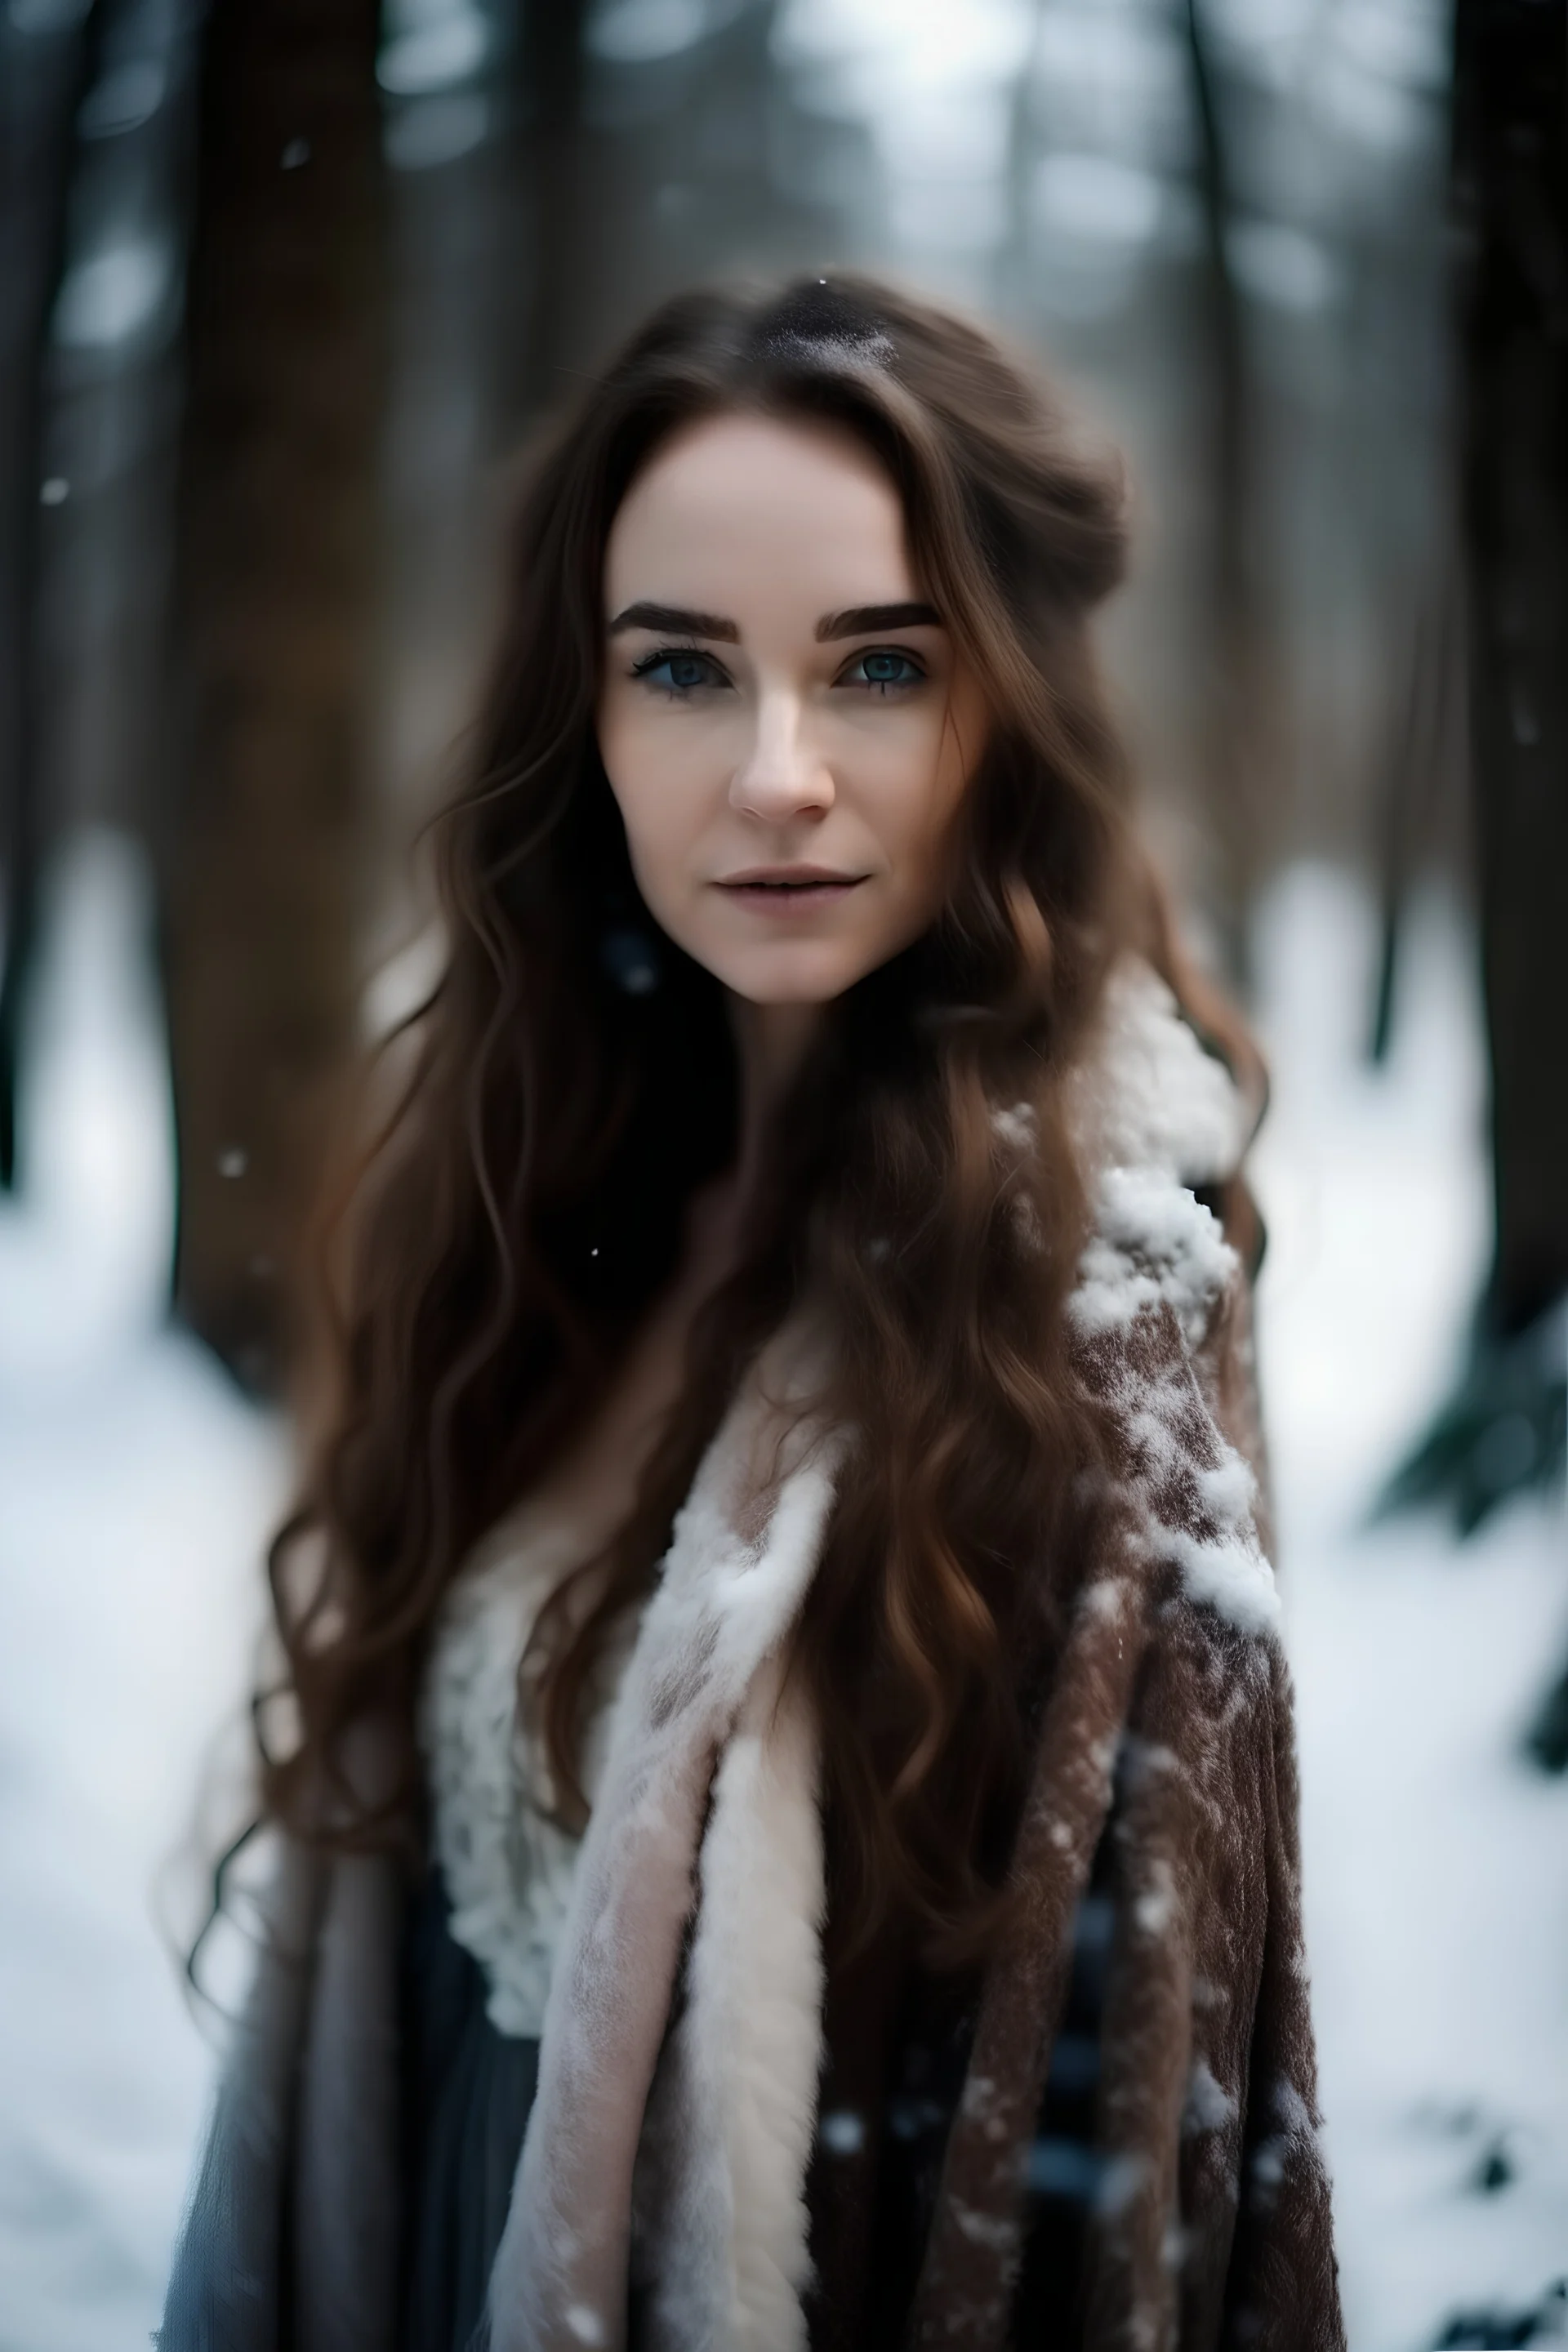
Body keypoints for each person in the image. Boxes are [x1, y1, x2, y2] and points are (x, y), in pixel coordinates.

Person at [160, 274, 1343, 2352]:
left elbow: (1125, 2171)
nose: (777, 773)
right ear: (588, 719)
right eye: (684, 672)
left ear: (1004, 711)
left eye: (876, 667)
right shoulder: (527, 1208)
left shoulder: (1093, 1325)